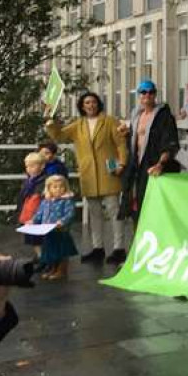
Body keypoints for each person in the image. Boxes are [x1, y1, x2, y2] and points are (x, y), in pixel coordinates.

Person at [45, 92, 128, 264]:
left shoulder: (110, 121)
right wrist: (50, 122)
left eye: (93, 102)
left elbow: (121, 144)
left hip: (109, 172)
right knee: (94, 213)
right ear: (82, 106)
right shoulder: (78, 125)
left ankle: (119, 248)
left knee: (114, 211)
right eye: (87, 103)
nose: (90, 105)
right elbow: (59, 136)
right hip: (89, 174)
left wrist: (122, 164)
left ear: (98, 104)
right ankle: (98, 248)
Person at [118, 81, 180, 221]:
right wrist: (127, 134)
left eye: (151, 92)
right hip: (137, 168)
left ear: (155, 94)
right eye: (144, 92)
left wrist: (161, 164)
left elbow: (169, 143)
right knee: (137, 209)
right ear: (139, 95)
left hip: (154, 166)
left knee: (155, 210)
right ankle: (140, 239)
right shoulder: (136, 115)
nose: (148, 95)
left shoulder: (164, 116)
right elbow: (135, 144)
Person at [31, 174, 78, 281]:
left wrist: (62, 222)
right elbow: (39, 213)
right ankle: (53, 269)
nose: (59, 189)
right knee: (50, 251)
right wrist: (33, 221)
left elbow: (70, 214)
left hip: (61, 231)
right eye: (55, 187)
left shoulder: (67, 200)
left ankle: (62, 270)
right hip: (48, 231)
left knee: (62, 251)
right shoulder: (46, 201)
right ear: (49, 188)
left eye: (61, 186)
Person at [16, 152, 46, 261]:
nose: (29, 169)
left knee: (40, 238)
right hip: (28, 214)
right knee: (33, 239)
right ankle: (40, 256)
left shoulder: (44, 181)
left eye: (32, 166)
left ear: (42, 166)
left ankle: (43, 258)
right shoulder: (28, 182)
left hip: (38, 214)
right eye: (27, 166)